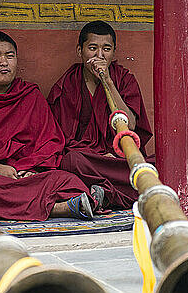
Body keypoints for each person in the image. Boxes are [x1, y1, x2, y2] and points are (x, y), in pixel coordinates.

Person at [0, 31, 96, 221]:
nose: (4, 62)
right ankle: (59, 209)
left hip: (27, 173)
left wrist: (28, 168)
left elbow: (51, 141)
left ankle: (25, 203)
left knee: (67, 180)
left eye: (10, 56)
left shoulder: (29, 95)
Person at [48, 20, 153, 210]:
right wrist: (98, 155)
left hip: (119, 158)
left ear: (114, 52)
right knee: (71, 161)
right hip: (89, 160)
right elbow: (59, 138)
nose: (99, 55)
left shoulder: (124, 79)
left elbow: (129, 126)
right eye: (92, 48)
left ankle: (104, 194)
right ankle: (115, 194)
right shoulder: (67, 84)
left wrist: (108, 82)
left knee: (161, 164)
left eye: (106, 49)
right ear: (80, 51)